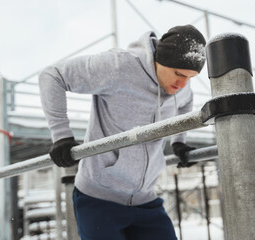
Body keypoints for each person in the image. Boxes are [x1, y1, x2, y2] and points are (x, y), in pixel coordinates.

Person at [39, 24, 206, 240]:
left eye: (190, 78)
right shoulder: (119, 67)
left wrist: (178, 141)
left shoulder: (180, 87)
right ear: (160, 60)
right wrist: (61, 135)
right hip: (99, 199)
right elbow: (52, 75)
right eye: (179, 74)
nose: (183, 84)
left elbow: (185, 104)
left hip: (146, 200)